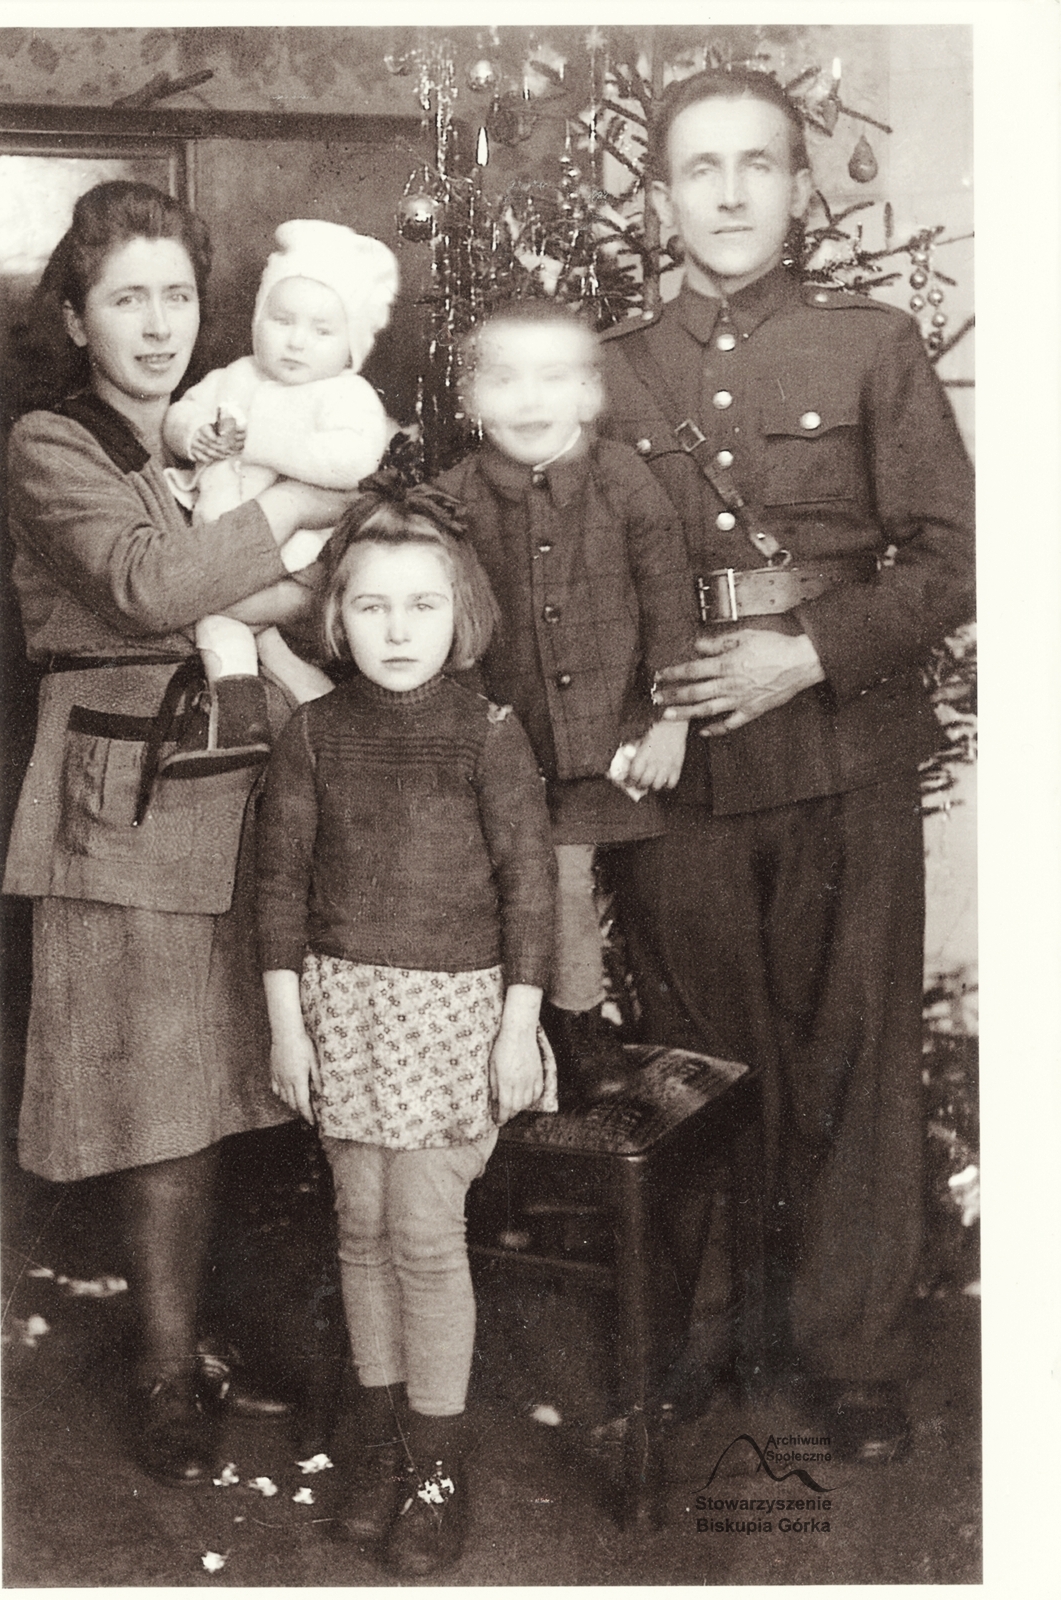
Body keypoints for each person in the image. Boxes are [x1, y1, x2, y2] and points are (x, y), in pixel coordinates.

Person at [600, 68, 974, 1460]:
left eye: (756, 163)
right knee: (693, 1057)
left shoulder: (870, 345)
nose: (729, 192)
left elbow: (956, 555)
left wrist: (808, 652)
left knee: (855, 1055)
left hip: (841, 750)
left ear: (798, 186)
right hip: (681, 761)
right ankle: (708, 1336)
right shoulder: (607, 369)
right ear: (660, 199)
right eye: (699, 168)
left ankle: (851, 1354)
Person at [1, 180, 356, 1487]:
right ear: (77, 318)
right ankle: (162, 1366)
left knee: (250, 1083)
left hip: (257, 774)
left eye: (178, 297)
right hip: (129, 795)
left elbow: (324, 598)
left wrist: (277, 570)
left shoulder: (233, 418)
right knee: (159, 1105)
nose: (158, 325)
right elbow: (150, 583)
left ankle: (222, 1334)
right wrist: (296, 514)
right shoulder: (54, 443)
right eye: (126, 300)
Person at [256, 484, 557, 1576]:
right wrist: (288, 1030)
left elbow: (530, 892)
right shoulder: (313, 734)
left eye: (421, 606)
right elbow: (280, 889)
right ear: (337, 619)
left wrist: (517, 1030)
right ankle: (382, 1449)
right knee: (360, 1228)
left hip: (454, 1017)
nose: (396, 630)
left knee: (425, 1238)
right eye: (371, 606)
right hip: (342, 1012)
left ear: (459, 613)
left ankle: (437, 1469)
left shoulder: (489, 734)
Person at [437, 301, 696, 1104]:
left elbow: (668, 603)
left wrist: (671, 721)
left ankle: (589, 1023)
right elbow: (448, 628)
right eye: (503, 379)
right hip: (512, 750)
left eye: (552, 378)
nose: (528, 399)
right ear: (470, 398)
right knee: (550, 887)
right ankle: (570, 1030)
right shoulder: (451, 501)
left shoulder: (622, 479)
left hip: (615, 743)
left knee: (593, 887)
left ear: (588, 393)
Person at [161, 219, 399, 773]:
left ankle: (306, 704)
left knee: (234, 615)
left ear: (350, 346)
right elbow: (181, 411)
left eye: (321, 330)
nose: (295, 341)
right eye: (281, 319)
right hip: (216, 541)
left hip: (296, 554)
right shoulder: (235, 376)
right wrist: (192, 434)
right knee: (221, 626)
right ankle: (239, 711)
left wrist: (259, 442)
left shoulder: (345, 393)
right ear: (258, 319)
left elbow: (353, 459)